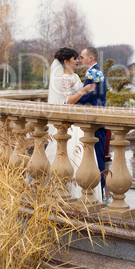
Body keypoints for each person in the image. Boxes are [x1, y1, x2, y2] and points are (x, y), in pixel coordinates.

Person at [46, 46, 102, 201]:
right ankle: (70, 191)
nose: (78, 61)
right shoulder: (63, 78)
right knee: (72, 153)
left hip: (79, 118)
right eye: (74, 59)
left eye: (79, 58)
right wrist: (84, 90)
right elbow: (67, 101)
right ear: (66, 61)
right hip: (71, 122)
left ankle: (85, 191)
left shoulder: (76, 76)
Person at [77, 47, 108, 196]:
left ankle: (99, 192)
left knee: (97, 158)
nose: (79, 60)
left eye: (82, 57)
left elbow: (89, 96)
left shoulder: (93, 73)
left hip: (96, 120)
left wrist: (71, 101)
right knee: (95, 157)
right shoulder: (95, 72)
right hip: (96, 119)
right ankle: (98, 191)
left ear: (90, 58)